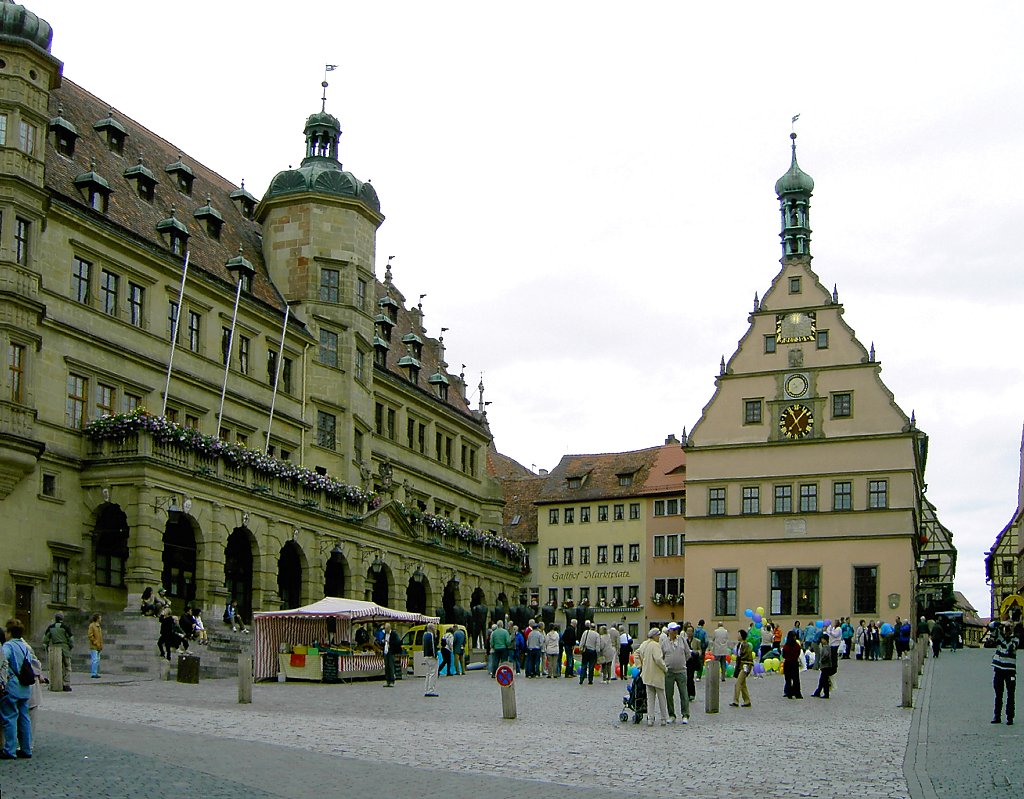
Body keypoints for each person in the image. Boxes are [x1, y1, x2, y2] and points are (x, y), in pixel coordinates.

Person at [1, 618, 33, 759]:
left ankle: (10, 750)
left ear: (9, 633)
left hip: (12, 686)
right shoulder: (25, 647)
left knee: (10, 717)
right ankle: (26, 748)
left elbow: (2, 660)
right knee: (24, 718)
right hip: (25, 688)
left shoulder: (8, 646)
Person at [635, 628, 669, 726]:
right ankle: (663, 718)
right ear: (654, 636)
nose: (659, 637)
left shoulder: (644, 644)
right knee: (661, 697)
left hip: (647, 675)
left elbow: (636, 654)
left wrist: (640, 666)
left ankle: (650, 719)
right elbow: (658, 659)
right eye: (658, 635)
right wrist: (665, 668)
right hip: (657, 675)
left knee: (650, 698)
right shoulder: (655, 645)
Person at [661, 622, 691, 724]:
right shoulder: (664, 642)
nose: (675, 631)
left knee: (684, 693)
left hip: (681, 671)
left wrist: (681, 662)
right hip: (669, 672)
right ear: (669, 631)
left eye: (676, 629)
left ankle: (685, 714)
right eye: (673, 630)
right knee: (669, 694)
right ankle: (671, 714)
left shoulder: (682, 640)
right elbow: (661, 656)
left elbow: (688, 653)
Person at [991, 621, 1018, 725]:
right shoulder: (999, 635)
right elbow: (990, 626)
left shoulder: (1015, 638)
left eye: (1010, 627)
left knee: (1010, 694)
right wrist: (1000, 623)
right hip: (998, 669)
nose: (1007, 629)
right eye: (1007, 627)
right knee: (998, 694)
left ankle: (1010, 717)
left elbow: (1010, 648)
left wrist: (1008, 635)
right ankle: (997, 716)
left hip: (1010, 671)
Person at [42, 612, 74, 691]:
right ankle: (66, 684)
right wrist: (70, 646)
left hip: (55, 648)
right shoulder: (65, 627)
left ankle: (55, 683)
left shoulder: (51, 627)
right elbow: (71, 639)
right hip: (65, 648)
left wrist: (46, 646)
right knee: (67, 667)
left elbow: (45, 639)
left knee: (55, 667)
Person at [730, 629, 754, 707]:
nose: (737, 636)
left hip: (745, 665)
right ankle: (747, 701)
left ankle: (735, 701)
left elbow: (746, 656)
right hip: (741, 666)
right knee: (743, 684)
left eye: (739, 634)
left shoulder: (746, 645)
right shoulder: (739, 645)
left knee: (738, 683)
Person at [811, 634, 835, 699]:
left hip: (825, 666)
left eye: (822, 639)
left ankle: (826, 693)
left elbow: (826, 654)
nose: (821, 640)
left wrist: (822, 660)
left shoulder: (825, 647)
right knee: (822, 680)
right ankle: (817, 692)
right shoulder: (827, 647)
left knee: (824, 681)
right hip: (826, 666)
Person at [782, 630, 803, 699]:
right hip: (794, 663)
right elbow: (798, 653)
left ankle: (789, 693)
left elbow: (783, 655)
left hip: (788, 663)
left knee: (788, 680)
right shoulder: (797, 646)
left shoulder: (786, 646)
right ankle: (797, 693)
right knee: (796, 679)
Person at [578, 621, 599, 685]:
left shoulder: (585, 632)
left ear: (590, 627)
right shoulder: (596, 635)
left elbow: (582, 641)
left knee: (584, 665)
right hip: (593, 651)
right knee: (591, 666)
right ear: (595, 628)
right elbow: (598, 644)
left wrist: (580, 648)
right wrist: (598, 652)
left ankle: (581, 679)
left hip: (586, 650)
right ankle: (590, 680)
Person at [381, 622, 402, 687]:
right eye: (385, 628)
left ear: (389, 628)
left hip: (391, 651)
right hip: (385, 651)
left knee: (391, 666)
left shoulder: (394, 634)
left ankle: (392, 681)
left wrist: (390, 643)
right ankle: (387, 681)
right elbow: (383, 641)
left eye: (387, 628)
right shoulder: (385, 634)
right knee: (386, 667)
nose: (386, 630)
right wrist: (383, 641)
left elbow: (398, 642)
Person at [422, 622, 439, 697]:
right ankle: (430, 690)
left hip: (426, 656)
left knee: (428, 674)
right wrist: (435, 655)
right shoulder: (431, 635)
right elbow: (432, 645)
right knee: (433, 674)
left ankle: (426, 689)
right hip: (431, 656)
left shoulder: (424, 635)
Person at [685, 625, 701, 700]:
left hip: (693, 662)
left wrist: (695, 652)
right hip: (686, 662)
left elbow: (700, 651)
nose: (689, 633)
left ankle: (692, 693)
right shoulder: (684, 641)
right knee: (686, 678)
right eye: (688, 631)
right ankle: (687, 694)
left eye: (691, 631)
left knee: (690, 678)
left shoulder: (697, 641)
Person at [87, 613, 103, 678]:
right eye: (100, 618)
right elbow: (90, 635)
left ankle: (95, 672)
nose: (101, 619)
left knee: (97, 659)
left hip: (98, 646)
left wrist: (100, 645)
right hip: (94, 645)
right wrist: (95, 642)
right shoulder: (92, 626)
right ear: (97, 618)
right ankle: (93, 673)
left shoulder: (98, 626)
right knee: (94, 659)